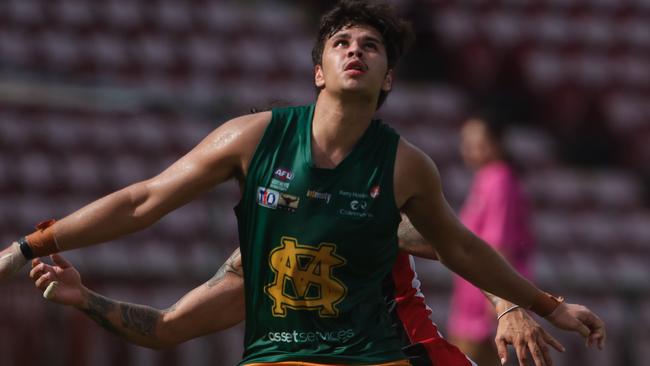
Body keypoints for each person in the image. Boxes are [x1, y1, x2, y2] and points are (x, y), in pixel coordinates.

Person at [1, 1, 605, 365]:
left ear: (388, 78)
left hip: (388, 358)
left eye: (370, 45)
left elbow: (458, 246)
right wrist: (49, 266)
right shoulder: (252, 162)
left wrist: (531, 306)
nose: (355, 50)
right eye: (341, 42)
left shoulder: (401, 169)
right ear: (318, 70)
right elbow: (154, 263)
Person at [30, 239, 563, 366]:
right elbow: (167, 327)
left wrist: (508, 304)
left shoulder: (368, 202)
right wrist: (84, 299)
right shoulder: (259, 255)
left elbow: (454, 246)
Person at [447, 116, 537, 365]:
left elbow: (498, 242)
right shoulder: (486, 179)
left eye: (478, 142)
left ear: (498, 144)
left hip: (488, 301)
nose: (469, 149)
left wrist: (501, 299)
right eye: (466, 142)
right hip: (475, 297)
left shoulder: (499, 179)